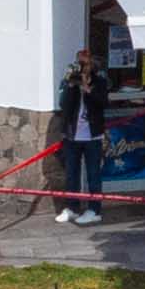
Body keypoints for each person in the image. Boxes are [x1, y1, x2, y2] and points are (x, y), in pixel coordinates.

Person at [54, 49, 109, 227]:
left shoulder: (100, 82)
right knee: (72, 174)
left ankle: (94, 210)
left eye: (85, 63)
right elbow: (63, 104)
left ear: (91, 65)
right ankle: (72, 207)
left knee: (93, 175)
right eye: (80, 63)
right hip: (72, 136)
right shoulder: (70, 80)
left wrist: (88, 89)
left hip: (92, 137)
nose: (82, 67)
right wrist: (71, 86)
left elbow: (103, 103)